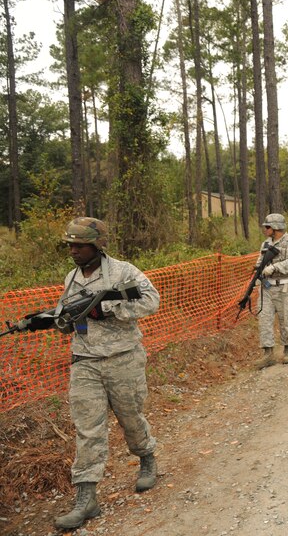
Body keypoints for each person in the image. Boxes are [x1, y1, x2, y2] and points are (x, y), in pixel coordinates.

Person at [54, 218, 161, 531]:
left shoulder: (123, 271)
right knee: (88, 429)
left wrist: (110, 310)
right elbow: (67, 313)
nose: (73, 250)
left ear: (97, 244)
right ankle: (86, 497)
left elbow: (151, 301)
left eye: (80, 245)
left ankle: (147, 458)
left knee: (131, 417)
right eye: (70, 245)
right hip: (84, 361)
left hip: (122, 359)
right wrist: (57, 320)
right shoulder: (71, 279)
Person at [254, 213, 288, 369]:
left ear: (275, 228)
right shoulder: (266, 244)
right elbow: (260, 262)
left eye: (267, 227)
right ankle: (268, 354)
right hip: (267, 288)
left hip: (284, 287)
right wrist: (257, 275)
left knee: (286, 319)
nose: (265, 229)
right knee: (264, 319)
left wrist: (275, 267)